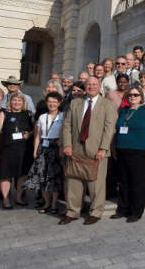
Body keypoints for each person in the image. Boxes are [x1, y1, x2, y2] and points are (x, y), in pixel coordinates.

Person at [60, 77, 118, 226]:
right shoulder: (75, 103)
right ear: (85, 87)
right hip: (76, 149)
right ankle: (72, 212)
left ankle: (95, 213)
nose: (91, 86)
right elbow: (67, 126)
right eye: (88, 84)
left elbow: (109, 129)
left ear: (99, 86)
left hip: (97, 151)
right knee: (74, 182)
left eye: (94, 84)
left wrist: (103, 148)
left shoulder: (107, 104)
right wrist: (67, 145)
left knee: (96, 184)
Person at [110, 86, 145, 223]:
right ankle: (122, 210)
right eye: (130, 94)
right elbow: (116, 130)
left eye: (136, 95)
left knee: (138, 183)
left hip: (140, 152)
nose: (133, 97)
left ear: (141, 97)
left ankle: (136, 212)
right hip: (122, 150)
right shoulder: (124, 110)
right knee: (124, 182)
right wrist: (114, 148)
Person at [0, 91, 34, 209]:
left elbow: (36, 129)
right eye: (14, 100)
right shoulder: (3, 113)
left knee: (22, 174)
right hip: (7, 149)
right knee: (5, 174)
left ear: (23, 102)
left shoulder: (29, 114)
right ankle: (6, 200)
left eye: (20, 100)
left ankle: (18, 198)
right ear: (10, 101)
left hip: (24, 150)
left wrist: (29, 134)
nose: (17, 102)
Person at [23, 91, 65, 214]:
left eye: (54, 102)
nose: (52, 104)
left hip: (56, 147)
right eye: (50, 102)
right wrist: (35, 150)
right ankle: (46, 203)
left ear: (59, 103)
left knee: (54, 177)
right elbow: (37, 135)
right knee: (43, 176)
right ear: (46, 103)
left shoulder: (63, 116)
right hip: (43, 146)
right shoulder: (42, 117)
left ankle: (54, 203)